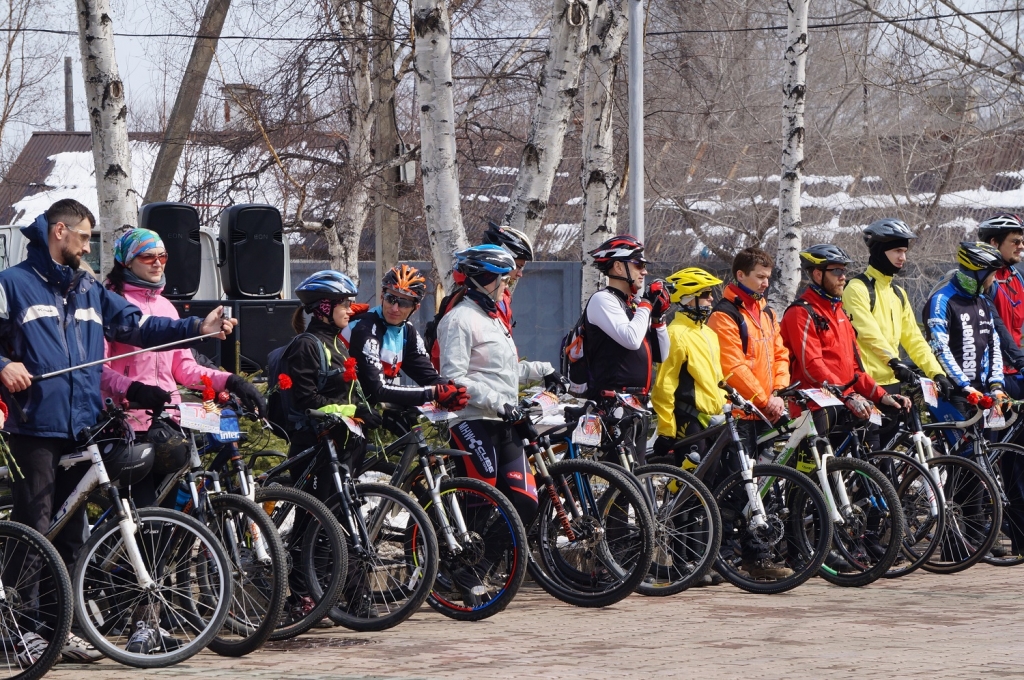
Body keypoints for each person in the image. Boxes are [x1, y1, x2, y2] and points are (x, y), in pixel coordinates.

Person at [0, 199, 235, 662]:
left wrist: (194, 326)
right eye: (85, 237)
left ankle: (54, 629)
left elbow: (136, 324)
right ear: (60, 231)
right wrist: (4, 365)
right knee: (37, 523)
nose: (89, 247)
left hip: (83, 425)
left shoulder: (87, 288)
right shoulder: (12, 285)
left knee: (70, 533)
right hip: (35, 425)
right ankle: (17, 627)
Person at [100, 228, 267, 507]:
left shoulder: (167, 307)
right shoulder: (111, 303)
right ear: (126, 262)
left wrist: (232, 382)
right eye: (147, 256)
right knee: (144, 518)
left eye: (162, 256)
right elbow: (98, 370)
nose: (157, 263)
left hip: (167, 421)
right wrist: (135, 390)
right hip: (125, 424)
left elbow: (185, 369)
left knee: (168, 517)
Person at [437, 245, 554, 528]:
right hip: (472, 420)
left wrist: (545, 372)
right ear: (483, 279)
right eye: (502, 278)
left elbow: (506, 370)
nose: (506, 284)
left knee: (525, 501)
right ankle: (462, 570)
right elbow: (453, 377)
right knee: (480, 501)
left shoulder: (493, 319)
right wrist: (497, 402)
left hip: (503, 421)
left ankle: (485, 562)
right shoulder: (459, 319)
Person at [781, 244, 911, 435]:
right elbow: (812, 365)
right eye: (836, 271)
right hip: (815, 408)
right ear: (818, 274)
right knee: (818, 465)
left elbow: (855, 370)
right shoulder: (801, 313)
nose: (843, 277)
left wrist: (883, 396)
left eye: (844, 270)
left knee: (861, 461)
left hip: (844, 403)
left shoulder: (840, 312)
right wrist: (845, 396)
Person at [843, 218, 951, 397]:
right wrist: (894, 362)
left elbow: (913, 338)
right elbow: (869, 335)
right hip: (866, 384)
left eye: (905, 251)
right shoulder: (857, 288)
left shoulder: (898, 293)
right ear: (879, 251)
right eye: (897, 251)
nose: (903, 257)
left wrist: (937, 373)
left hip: (893, 383)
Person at [343, 263, 468, 411]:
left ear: (415, 307)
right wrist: (432, 393)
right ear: (382, 296)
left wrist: (452, 391)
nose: (395, 308)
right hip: (344, 407)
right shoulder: (365, 329)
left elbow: (428, 376)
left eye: (404, 303)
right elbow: (378, 390)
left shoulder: (408, 332)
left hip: (368, 408)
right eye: (391, 299)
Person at [707, 247, 790, 460]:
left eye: (768, 277)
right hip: (740, 415)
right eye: (760, 277)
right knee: (739, 487)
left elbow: (780, 355)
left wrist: (778, 394)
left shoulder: (768, 313)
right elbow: (733, 367)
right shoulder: (724, 315)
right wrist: (766, 402)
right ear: (741, 275)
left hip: (767, 411)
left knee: (764, 486)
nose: (766, 283)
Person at [977, 214, 1024, 556]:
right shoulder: (986, 282)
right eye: (1015, 241)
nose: (1021, 247)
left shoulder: (1018, 276)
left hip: (1019, 374)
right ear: (994, 244)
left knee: (1016, 459)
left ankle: (1019, 534)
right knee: (989, 455)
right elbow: (997, 331)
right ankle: (979, 531)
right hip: (996, 378)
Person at [650, 267, 726, 464]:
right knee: (691, 486)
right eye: (706, 294)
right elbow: (664, 385)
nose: (711, 299)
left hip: (715, 420)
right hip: (689, 421)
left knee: (713, 484)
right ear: (689, 299)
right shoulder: (676, 334)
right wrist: (666, 430)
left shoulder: (709, 333)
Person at [925, 242, 1007, 403]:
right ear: (979, 274)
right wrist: (965, 386)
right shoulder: (941, 300)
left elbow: (994, 344)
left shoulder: (982, 300)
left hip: (983, 394)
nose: (994, 280)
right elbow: (940, 349)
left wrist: (996, 384)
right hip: (953, 394)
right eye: (992, 274)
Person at [482, 222, 534, 333]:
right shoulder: (468, 305)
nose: (520, 274)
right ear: (501, 262)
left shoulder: (502, 297)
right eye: (518, 266)